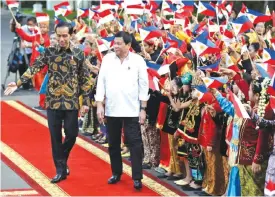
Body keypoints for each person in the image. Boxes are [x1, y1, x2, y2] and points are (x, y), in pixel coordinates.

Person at [4, 22, 91, 184]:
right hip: (53, 102)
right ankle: (60, 170)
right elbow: (34, 68)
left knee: (72, 135)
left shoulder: (78, 54)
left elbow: (84, 79)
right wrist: (18, 83)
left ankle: (62, 160)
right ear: (55, 35)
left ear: (71, 35)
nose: (62, 39)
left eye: (65, 35)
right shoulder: (49, 52)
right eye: (59, 36)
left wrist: (86, 101)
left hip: (71, 102)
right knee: (55, 137)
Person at [95, 31, 149, 190]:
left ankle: (137, 177)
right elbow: (101, 82)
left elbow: (144, 85)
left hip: (132, 110)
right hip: (112, 109)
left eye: (119, 43)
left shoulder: (138, 61)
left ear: (128, 45)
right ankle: (116, 172)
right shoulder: (107, 59)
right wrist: (99, 104)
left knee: (135, 143)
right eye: (114, 43)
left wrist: (143, 108)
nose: (115, 46)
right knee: (113, 143)